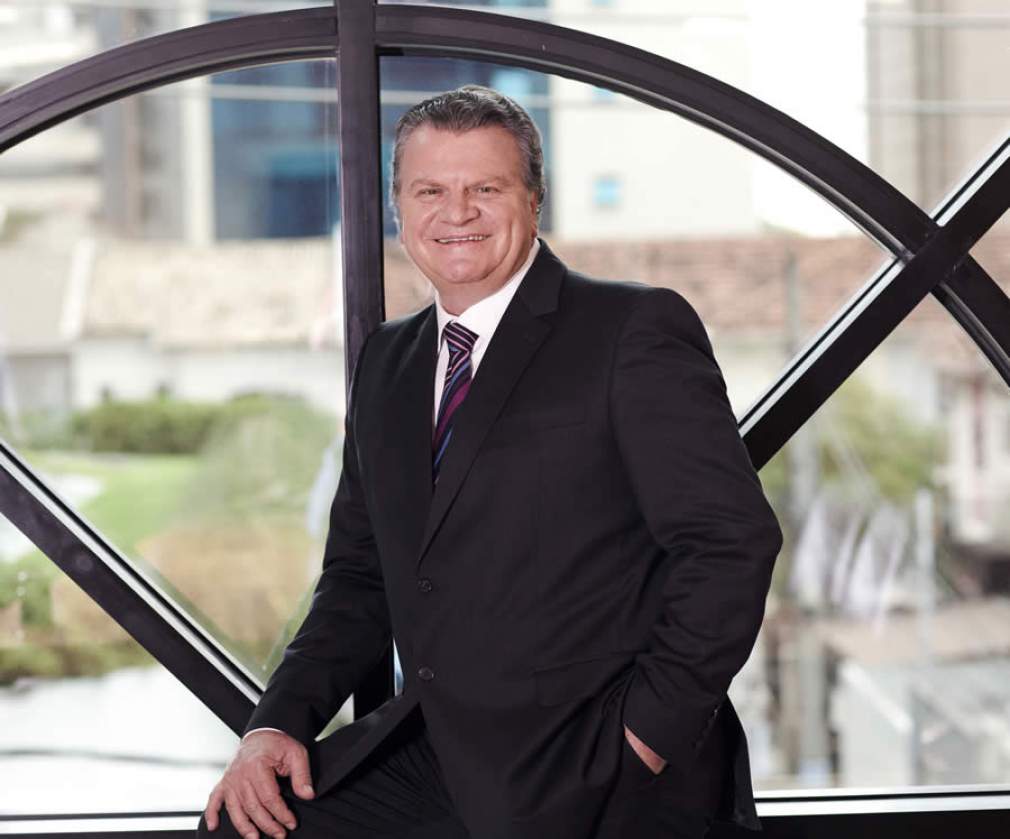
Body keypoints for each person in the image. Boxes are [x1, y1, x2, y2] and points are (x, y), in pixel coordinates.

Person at [198, 84, 782, 839]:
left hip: (594, 754)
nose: (458, 213)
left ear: (534, 200)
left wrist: (644, 737)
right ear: (399, 208)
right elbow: (359, 575)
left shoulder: (631, 329)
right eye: (430, 191)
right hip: (438, 747)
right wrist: (276, 723)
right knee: (242, 830)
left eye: (486, 188)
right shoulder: (388, 361)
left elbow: (731, 544)